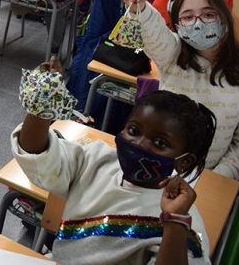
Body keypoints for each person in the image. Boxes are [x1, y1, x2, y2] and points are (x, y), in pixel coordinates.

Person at [14, 85, 216, 264]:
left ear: (184, 161)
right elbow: (36, 154)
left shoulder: (180, 219)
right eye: (134, 131)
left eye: (160, 143)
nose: (139, 144)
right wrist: (42, 106)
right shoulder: (97, 159)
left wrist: (174, 221)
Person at [124, 0, 239, 180]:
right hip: (154, 171)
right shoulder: (173, 54)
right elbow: (154, 33)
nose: (198, 24)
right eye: (188, 17)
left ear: (224, 18)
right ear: (179, 28)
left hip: (207, 182)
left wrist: (213, 179)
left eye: (208, 15)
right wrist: (140, 8)